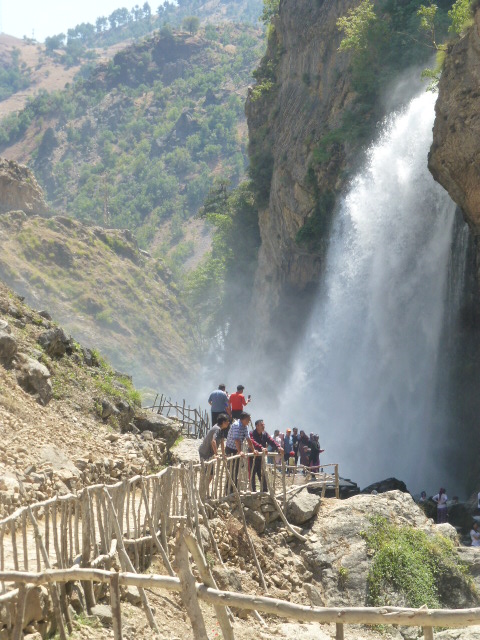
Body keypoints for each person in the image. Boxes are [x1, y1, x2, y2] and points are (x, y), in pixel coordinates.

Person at [224, 411, 257, 488]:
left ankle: (233, 489)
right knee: (231, 470)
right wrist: (239, 451)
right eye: (248, 420)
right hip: (230, 449)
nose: (249, 422)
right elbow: (236, 439)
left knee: (236, 471)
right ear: (243, 419)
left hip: (237, 449)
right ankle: (228, 490)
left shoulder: (245, 426)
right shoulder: (236, 425)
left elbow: (248, 439)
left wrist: (253, 450)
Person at [249, 419, 283, 491]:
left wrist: (278, 447)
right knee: (252, 475)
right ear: (257, 426)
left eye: (263, 425)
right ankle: (253, 492)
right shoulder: (252, 433)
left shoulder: (265, 434)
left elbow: (271, 441)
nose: (263, 426)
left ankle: (265, 491)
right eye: (262, 425)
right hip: (253, 458)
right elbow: (253, 442)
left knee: (263, 474)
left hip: (261, 458)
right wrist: (261, 448)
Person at [198, 414, 230, 490]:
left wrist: (223, 454)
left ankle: (204, 489)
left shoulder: (221, 430)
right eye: (227, 422)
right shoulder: (217, 429)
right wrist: (216, 454)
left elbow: (222, 442)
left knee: (210, 473)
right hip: (205, 452)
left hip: (209, 453)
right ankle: (203, 489)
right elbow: (213, 442)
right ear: (223, 422)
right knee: (209, 473)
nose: (228, 423)